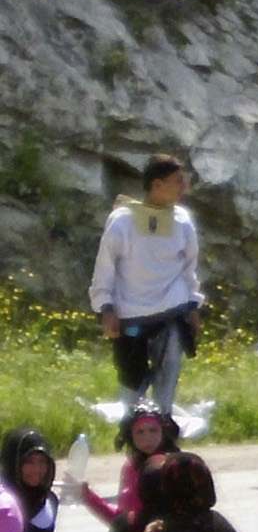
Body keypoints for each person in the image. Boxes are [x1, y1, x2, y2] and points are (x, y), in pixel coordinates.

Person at [91, 153, 204, 416]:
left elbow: (189, 268)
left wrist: (193, 306)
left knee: (167, 382)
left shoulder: (183, 221)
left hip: (171, 312)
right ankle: (135, 438)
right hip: (131, 315)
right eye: (177, 181)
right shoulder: (122, 221)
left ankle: (164, 434)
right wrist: (106, 308)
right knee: (132, 387)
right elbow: (105, 266)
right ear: (157, 185)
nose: (183, 188)